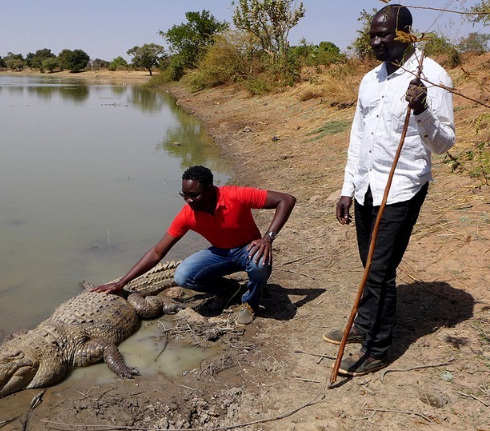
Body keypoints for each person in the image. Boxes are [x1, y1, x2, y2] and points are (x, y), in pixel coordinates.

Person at [323, 4, 455, 376]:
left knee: (380, 271)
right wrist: (348, 187)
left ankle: (377, 348)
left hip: (402, 187)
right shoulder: (370, 80)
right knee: (370, 266)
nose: (376, 43)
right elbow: (359, 137)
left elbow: (443, 144)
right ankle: (364, 326)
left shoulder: (432, 76)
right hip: (367, 186)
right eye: (372, 36)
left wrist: (423, 109)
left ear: (406, 34)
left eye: (384, 35)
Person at [89, 165, 296, 325]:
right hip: (221, 254)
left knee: (259, 266)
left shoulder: (235, 195)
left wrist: (268, 237)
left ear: (209, 190)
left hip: (249, 249)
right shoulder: (188, 215)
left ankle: (250, 302)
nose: (188, 200)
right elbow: (157, 252)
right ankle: (229, 289)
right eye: (184, 195)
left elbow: (286, 200)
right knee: (182, 275)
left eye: (193, 195)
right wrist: (121, 283)